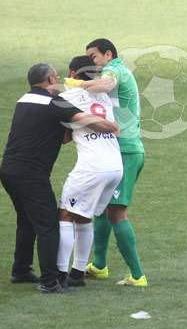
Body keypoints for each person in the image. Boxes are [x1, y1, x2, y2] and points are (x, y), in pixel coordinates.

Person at [0, 63, 118, 293]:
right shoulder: (56, 103)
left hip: (9, 170)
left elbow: (59, 136)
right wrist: (112, 126)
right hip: (31, 174)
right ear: (52, 78)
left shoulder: (24, 100)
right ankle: (50, 282)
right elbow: (93, 121)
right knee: (48, 225)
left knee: (26, 220)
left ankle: (21, 270)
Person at [71, 38, 147, 287]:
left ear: (108, 54)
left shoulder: (114, 69)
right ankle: (99, 265)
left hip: (126, 150)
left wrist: (79, 84)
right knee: (103, 208)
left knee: (117, 212)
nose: (92, 61)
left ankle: (137, 276)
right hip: (121, 149)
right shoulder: (118, 69)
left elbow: (105, 85)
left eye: (93, 56)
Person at [57, 56, 124, 287]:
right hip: (115, 166)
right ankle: (76, 275)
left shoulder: (67, 97)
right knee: (84, 216)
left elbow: (63, 137)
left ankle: (59, 272)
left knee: (65, 214)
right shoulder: (103, 96)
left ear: (72, 73)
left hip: (92, 166)